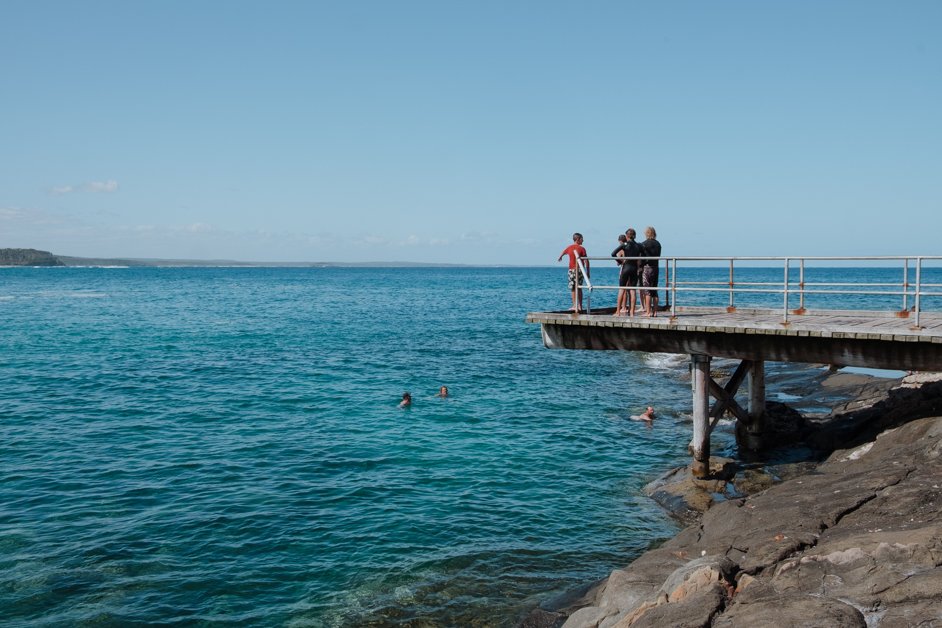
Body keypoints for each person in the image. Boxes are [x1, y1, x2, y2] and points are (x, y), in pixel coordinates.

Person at [611, 228, 642, 316]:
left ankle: (618, 311)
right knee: (633, 290)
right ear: (635, 236)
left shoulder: (625, 244)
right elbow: (644, 255)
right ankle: (632, 312)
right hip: (634, 268)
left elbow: (613, 254)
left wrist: (621, 262)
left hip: (626, 267)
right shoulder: (639, 245)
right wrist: (640, 264)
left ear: (627, 236)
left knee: (622, 289)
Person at [557, 232, 590, 313]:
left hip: (572, 270)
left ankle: (575, 305)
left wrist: (560, 257)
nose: (583, 240)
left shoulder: (570, 247)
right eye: (582, 238)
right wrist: (588, 271)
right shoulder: (581, 248)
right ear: (578, 239)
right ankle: (579, 306)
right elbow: (586, 261)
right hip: (579, 270)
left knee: (573, 288)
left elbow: (563, 252)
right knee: (579, 287)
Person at [640, 226, 662, 317]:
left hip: (647, 267)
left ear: (646, 233)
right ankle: (655, 312)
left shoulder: (644, 244)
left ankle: (648, 312)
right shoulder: (658, 244)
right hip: (655, 267)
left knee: (647, 291)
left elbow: (641, 257)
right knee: (654, 290)